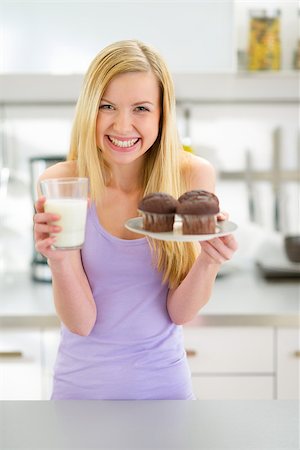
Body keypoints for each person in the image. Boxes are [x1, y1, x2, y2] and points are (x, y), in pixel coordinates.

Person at [33, 40, 238, 400]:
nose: (122, 125)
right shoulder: (62, 185)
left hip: (165, 394)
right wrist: (59, 258)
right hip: (80, 395)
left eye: (141, 108)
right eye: (107, 106)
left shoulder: (190, 177)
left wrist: (209, 261)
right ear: (88, 110)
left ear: (162, 115)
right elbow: (81, 323)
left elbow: (180, 312)